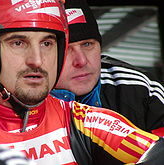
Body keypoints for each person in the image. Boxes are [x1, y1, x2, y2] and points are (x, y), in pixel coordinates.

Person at [0, 0, 164, 165]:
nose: (37, 60)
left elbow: (157, 150)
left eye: (47, 43)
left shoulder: (82, 121)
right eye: (18, 43)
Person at [51, 0, 164, 134]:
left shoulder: (140, 88)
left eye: (87, 44)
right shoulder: (23, 99)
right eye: (65, 49)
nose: (81, 61)